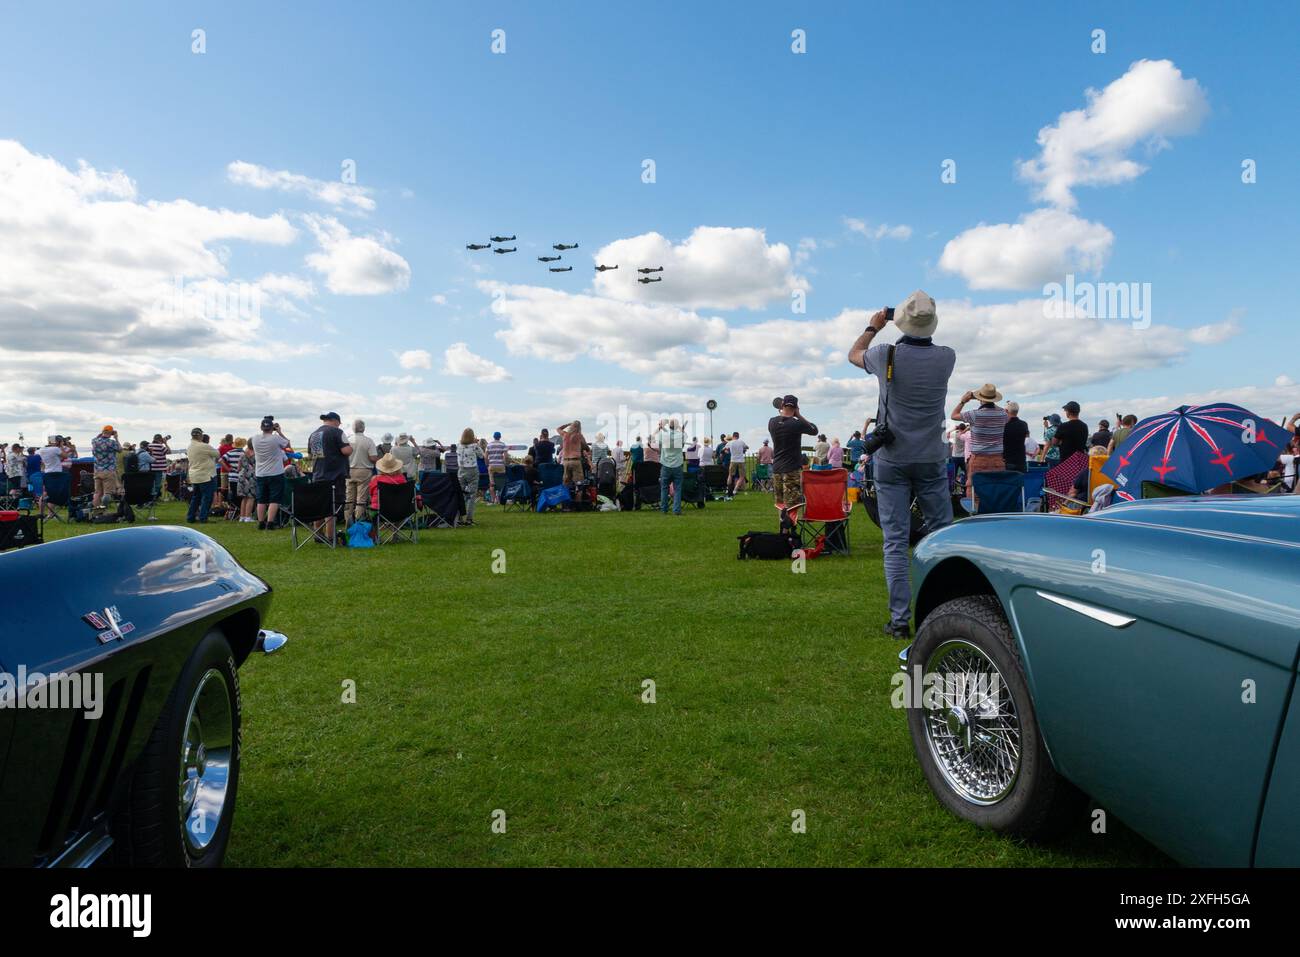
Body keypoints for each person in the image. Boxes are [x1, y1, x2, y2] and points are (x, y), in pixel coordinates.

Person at [848, 290, 956, 640]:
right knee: (942, 534)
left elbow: (853, 355)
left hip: (892, 459)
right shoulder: (946, 358)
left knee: (895, 540)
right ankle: (947, 609)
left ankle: (899, 621)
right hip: (931, 458)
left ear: (901, 321)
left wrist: (873, 326)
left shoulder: (884, 354)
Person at [951, 383, 1008, 497]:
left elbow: (954, 415)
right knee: (996, 491)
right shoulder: (1003, 414)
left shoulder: (974, 414)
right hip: (998, 458)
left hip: (978, 458)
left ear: (980, 399)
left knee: (974, 491)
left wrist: (964, 401)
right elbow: (1000, 410)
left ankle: (976, 512)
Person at [308, 412, 352, 543]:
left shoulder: (314, 434)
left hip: (317, 474)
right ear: (335, 421)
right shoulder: (337, 432)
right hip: (334, 475)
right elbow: (346, 451)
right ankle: (330, 536)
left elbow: (311, 455)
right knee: (331, 507)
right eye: (339, 422)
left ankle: (318, 534)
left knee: (320, 505)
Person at [768, 395, 817, 509]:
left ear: (782, 405)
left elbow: (782, 419)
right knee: (793, 505)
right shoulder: (797, 424)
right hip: (792, 469)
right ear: (796, 408)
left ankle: (783, 526)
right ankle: (791, 526)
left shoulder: (772, 422)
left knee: (780, 505)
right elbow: (814, 430)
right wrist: (799, 415)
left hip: (777, 468)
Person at [251, 418, 291, 529]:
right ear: (272, 427)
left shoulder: (255, 439)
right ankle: (270, 523)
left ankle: (261, 522)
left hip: (260, 473)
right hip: (275, 472)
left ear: (261, 427)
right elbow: (287, 444)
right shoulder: (276, 438)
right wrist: (279, 431)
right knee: (275, 499)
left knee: (261, 499)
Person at [345, 419, 380, 525]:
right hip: (364, 470)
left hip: (349, 470)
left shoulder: (348, 440)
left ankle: (348, 523)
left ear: (353, 428)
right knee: (361, 499)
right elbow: (373, 458)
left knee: (349, 499)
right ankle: (358, 523)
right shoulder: (368, 441)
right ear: (363, 428)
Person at [185, 427, 219, 523]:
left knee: (196, 497)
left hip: (195, 475)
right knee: (207, 497)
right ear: (200, 435)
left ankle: (190, 517)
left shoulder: (190, 446)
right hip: (206, 475)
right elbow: (217, 454)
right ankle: (203, 517)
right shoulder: (204, 446)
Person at [654, 418, 687, 514]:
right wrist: (680, 428)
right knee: (677, 488)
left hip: (665, 464)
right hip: (677, 464)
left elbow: (655, 439)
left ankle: (664, 509)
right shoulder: (681, 435)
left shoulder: (663, 434)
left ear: (669, 426)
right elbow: (683, 442)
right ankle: (676, 510)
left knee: (664, 488)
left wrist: (660, 427)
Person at [456, 428, 485, 525]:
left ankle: (459, 518)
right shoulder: (474, 446)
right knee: (472, 495)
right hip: (472, 470)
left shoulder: (458, 446)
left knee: (461, 495)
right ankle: (469, 519)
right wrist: (476, 443)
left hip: (461, 470)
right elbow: (482, 456)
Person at [90, 425, 121, 508]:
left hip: (97, 470)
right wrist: (116, 437)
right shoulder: (112, 442)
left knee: (97, 493)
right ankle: (103, 508)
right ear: (111, 433)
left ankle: (96, 513)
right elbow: (120, 449)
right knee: (107, 493)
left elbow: (98, 437)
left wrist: (104, 433)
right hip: (109, 471)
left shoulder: (94, 441)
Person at [556, 420, 588, 488]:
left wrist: (568, 424)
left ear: (571, 426)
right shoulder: (579, 436)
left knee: (565, 484)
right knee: (579, 485)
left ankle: (566, 497)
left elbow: (558, 429)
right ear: (579, 428)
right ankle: (578, 498)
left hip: (565, 462)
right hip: (575, 461)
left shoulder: (564, 434)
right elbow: (586, 447)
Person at [1002, 401, 1031, 473]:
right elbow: (1026, 436)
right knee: (1019, 483)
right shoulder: (1024, 424)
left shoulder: (1003, 425)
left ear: (1006, 411)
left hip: (1007, 460)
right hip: (1020, 461)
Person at [147, 434, 171, 499]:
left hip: (150, 467)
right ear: (160, 439)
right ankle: (154, 498)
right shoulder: (161, 446)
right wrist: (165, 443)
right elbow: (169, 452)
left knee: (151, 483)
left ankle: (150, 497)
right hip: (159, 468)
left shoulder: (149, 445)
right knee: (157, 484)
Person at [487, 431, 508, 499]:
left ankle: (494, 499)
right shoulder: (503, 444)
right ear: (500, 437)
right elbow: (506, 456)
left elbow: (485, 456)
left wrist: (487, 463)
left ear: (493, 437)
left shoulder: (489, 445)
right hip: (500, 465)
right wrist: (504, 463)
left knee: (492, 483)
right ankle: (502, 497)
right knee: (502, 482)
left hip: (492, 466)